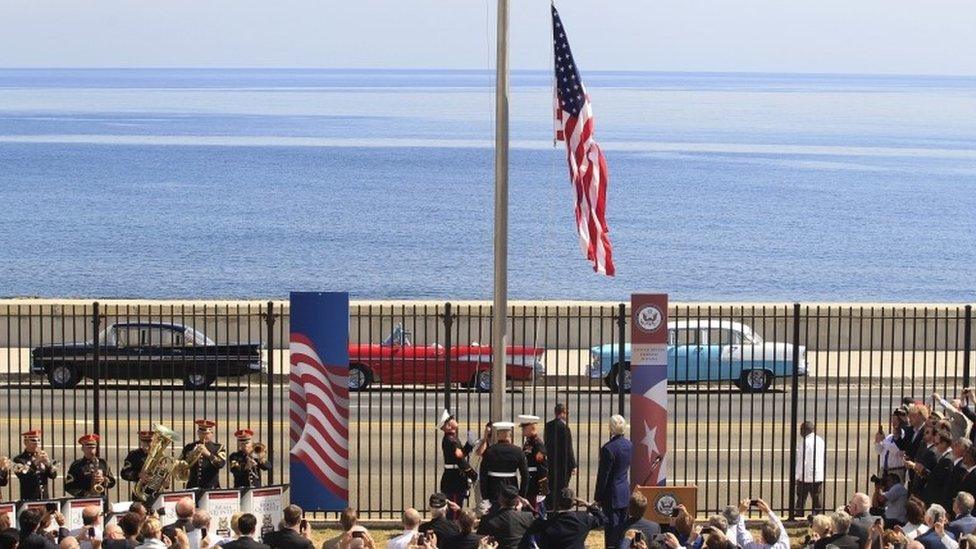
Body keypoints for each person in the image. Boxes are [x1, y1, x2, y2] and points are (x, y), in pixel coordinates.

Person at [595, 415, 631, 549]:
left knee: (611, 533)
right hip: (624, 491)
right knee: (623, 530)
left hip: (612, 495)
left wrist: (598, 496)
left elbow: (603, 475)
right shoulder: (629, 444)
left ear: (611, 428)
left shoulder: (608, 448)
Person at [527, 487, 605, 548]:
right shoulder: (584, 519)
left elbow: (541, 542)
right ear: (574, 503)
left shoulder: (548, 524)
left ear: (557, 502)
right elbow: (602, 519)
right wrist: (588, 505)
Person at [478, 422, 529, 513]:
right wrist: (521, 496)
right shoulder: (518, 451)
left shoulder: (490, 451)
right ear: (510, 435)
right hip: (512, 489)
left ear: (498, 435)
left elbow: (483, 475)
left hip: (493, 490)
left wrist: (485, 497)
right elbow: (525, 476)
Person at [437, 410, 477, 517]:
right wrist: (471, 473)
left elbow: (461, 454)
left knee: (456, 508)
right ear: (448, 426)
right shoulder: (450, 440)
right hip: (454, 481)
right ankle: (453, 531)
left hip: (456, 479)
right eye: (451, 419)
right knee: (454, 511)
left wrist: (469, 445)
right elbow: (460, 459)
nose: (454, 420)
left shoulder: (452, 438)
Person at [544, 404, 576, 511]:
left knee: (552, 486)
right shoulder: (564, 428)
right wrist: (573, 465)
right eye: (566, 413)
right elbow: (568, 449)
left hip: (552, 462)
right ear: (562, 413)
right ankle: (559, 507)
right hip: (563, 464)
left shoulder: (548, 426)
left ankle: (550, 507)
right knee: (561, 488)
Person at [14, 430, 59, 501]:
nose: (37, 443)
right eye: (33, 441)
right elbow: (23, 476)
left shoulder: (42, 456)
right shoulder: (19, 459)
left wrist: (48, 464)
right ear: (25, 442)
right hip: (29, 497)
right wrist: (35, 462)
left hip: (44, 497)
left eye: (38, 440)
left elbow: (53, 476)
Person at [181, 420, 226, 490]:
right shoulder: (189, 447)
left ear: (212, 433)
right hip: (192, 486)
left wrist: (207, 453)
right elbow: (180, 465)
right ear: (198, 433)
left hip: (211, 487)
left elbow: (221, 463)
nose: (204, 436)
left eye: (207, 434)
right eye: (202, 433)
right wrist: (190, 456)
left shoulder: (218, 447)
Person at [517, 415, 548, 513]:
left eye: (524, 428)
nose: (523, 431)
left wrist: (542, 489)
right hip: (529, 479)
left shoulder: (537, 444)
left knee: (535, 508)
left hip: (535, 481)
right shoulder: (528, 442)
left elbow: (542, 466)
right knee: (528, 506)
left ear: (531, 428)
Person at [795, 421, 826, 516]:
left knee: (801, 497)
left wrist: (796, 476)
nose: (800, 432)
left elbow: (802, 461)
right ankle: (818, 515)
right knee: (816, 497)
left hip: (806, 474)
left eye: (801, 430)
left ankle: (799, 513)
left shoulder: (805, 442)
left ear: (805, 430)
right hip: (818, 474)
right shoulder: (820, 440)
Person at [120, 431, 154, 501]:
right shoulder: (134, 455)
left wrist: (166, 483)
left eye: (149, 441)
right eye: (144, 441)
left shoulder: (159, 455)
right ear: (140, 442)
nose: (147, 444)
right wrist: (138, 475)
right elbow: (124, 473)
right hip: (139, 492)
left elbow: (164, 473)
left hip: (156, 492)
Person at [876, 413, 909, 483]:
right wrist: (878, 442)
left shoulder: (904, 437)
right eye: (893, 420)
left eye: (896, 420)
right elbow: (879, 451)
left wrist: (883, 441)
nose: (894, 423)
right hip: (884, 470)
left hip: (895, 471)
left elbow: (897, 451)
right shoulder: (889, 437)